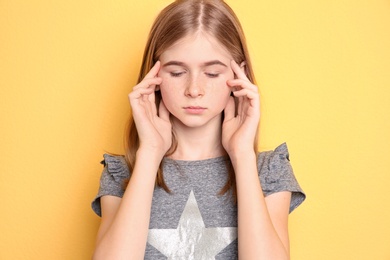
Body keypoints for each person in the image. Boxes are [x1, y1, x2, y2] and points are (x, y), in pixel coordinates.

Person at [91, 0, 305, 259]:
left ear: (240, 76)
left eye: (212, 73)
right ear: (153, 76)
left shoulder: (268, 170)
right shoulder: (122, 173)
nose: (194, 90)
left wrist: (242, 154)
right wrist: (149, 152)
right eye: (178, 72)